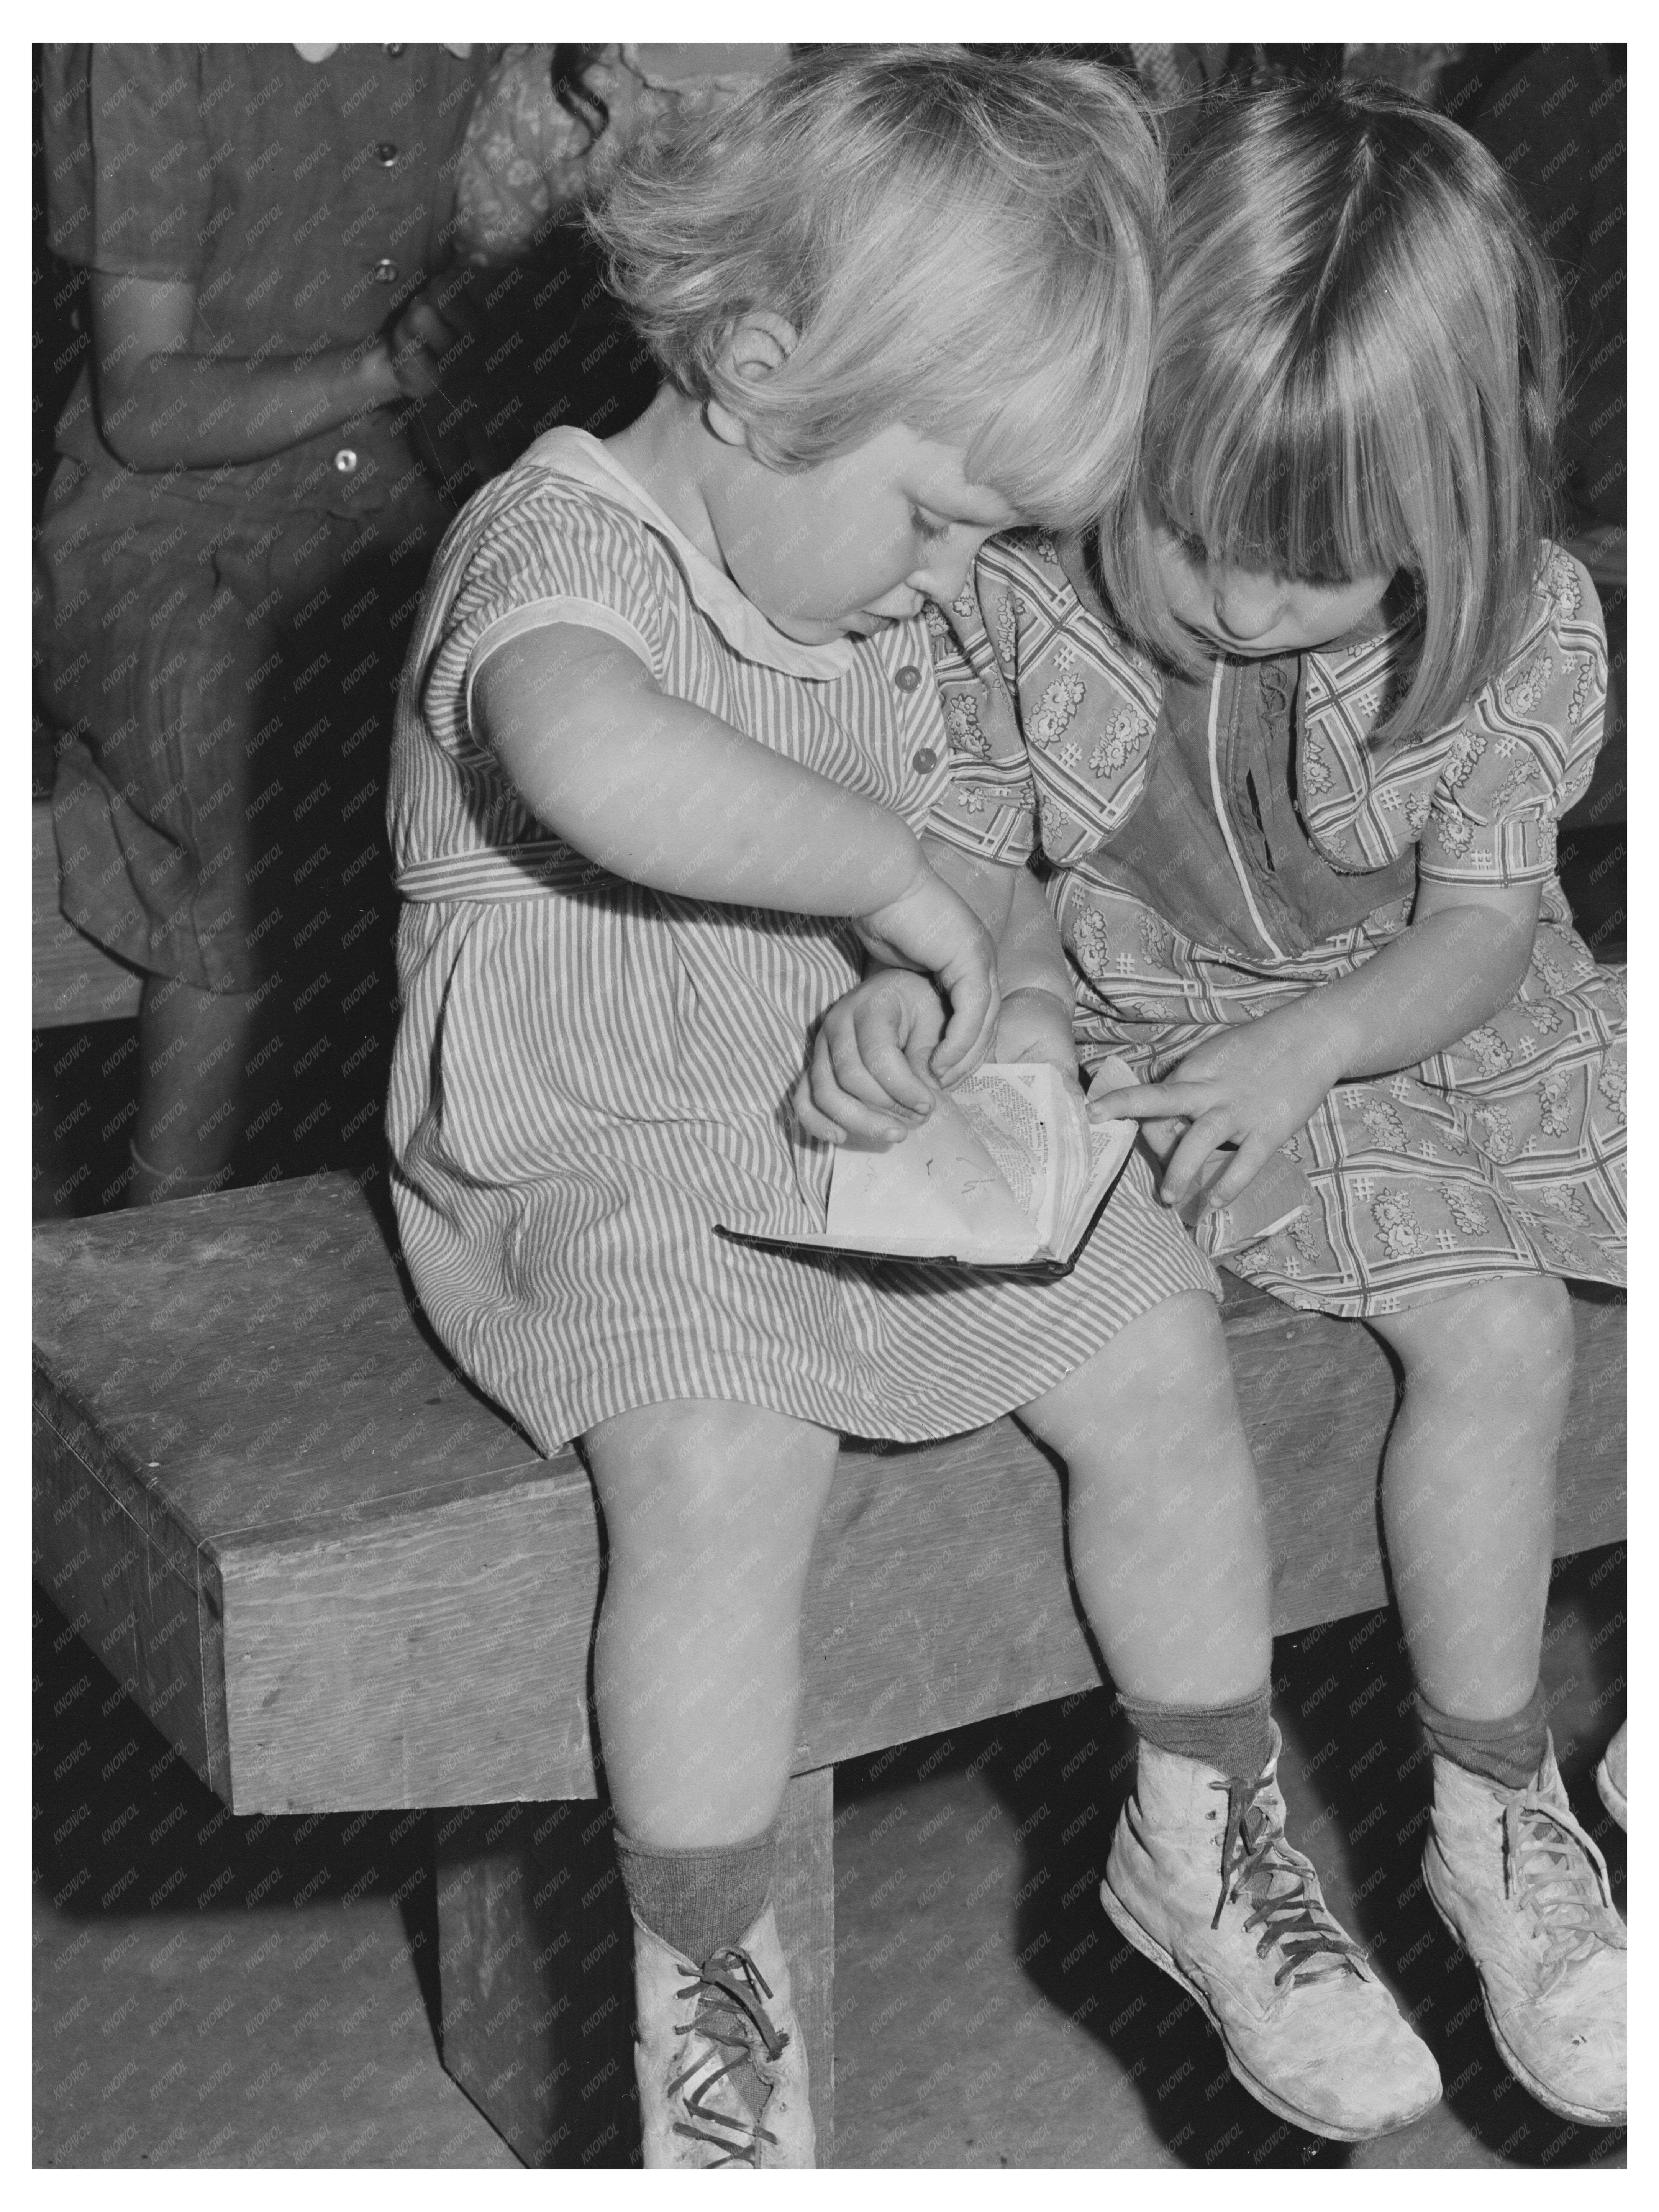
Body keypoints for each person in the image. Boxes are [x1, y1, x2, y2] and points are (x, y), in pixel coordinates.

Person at [385, 52, 1441, 2166]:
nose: (951, 582)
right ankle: (711, 1992)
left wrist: (948, 988)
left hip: (811, 1123)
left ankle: (1203, 1820)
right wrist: (870, 889)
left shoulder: (865, 591)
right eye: (943, 517)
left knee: (1144, 1319)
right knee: (720, 1452)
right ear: (761, 363)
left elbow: (954, 875)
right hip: (590, 1159)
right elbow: (593, 761)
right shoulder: (555, 541)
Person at [815, 80, 1625, 2131]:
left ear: (1437, 515)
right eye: (1188, 530)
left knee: (1576, 1258)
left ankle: (1540, 1793)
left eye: (1317, 568)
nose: (1237, 607)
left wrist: (1323, 1034)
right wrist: (988, 1009)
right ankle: (1388, 1816)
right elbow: (978, 864)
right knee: (1493, 1322)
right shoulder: (1003, 586)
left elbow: (1474, 932)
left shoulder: (1522, 622)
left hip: (1425, 1019)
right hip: (1188, 1027)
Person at [33, 43, 492, 1205]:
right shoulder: (152, 48)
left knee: (534, 700)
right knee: (246, 737)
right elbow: (140, 407)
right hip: (161, 529)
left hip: (393, 506)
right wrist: (382, 367)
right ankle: (165, 1231)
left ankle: (477, 1211)